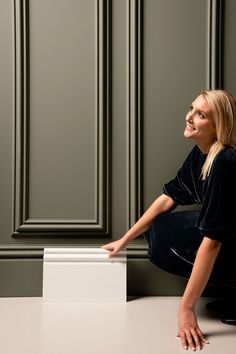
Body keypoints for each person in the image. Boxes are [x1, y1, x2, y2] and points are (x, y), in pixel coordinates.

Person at [101, 89, 236, 350]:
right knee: (158, 232)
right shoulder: (201, 154)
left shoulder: (224, 163)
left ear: (217, 125)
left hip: (229, 243)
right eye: (192, 108)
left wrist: (186, 308)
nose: (189, 117)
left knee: (167, 237)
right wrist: (125, 239)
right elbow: (168, 198)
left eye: (201, 115)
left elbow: (213, 241)